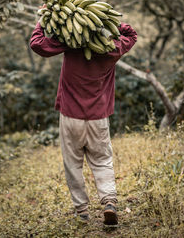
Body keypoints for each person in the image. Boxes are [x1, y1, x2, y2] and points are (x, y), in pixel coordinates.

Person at [30, 18, 137, 225]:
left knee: (73, 164)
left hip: (70, 117)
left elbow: (37, 44)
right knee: (102, 160)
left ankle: (82, 211)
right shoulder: (111, 49)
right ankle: (109, 202)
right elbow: (131, 35)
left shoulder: (70, 43)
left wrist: (42, 22)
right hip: (98, 118)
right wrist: (111, 22)